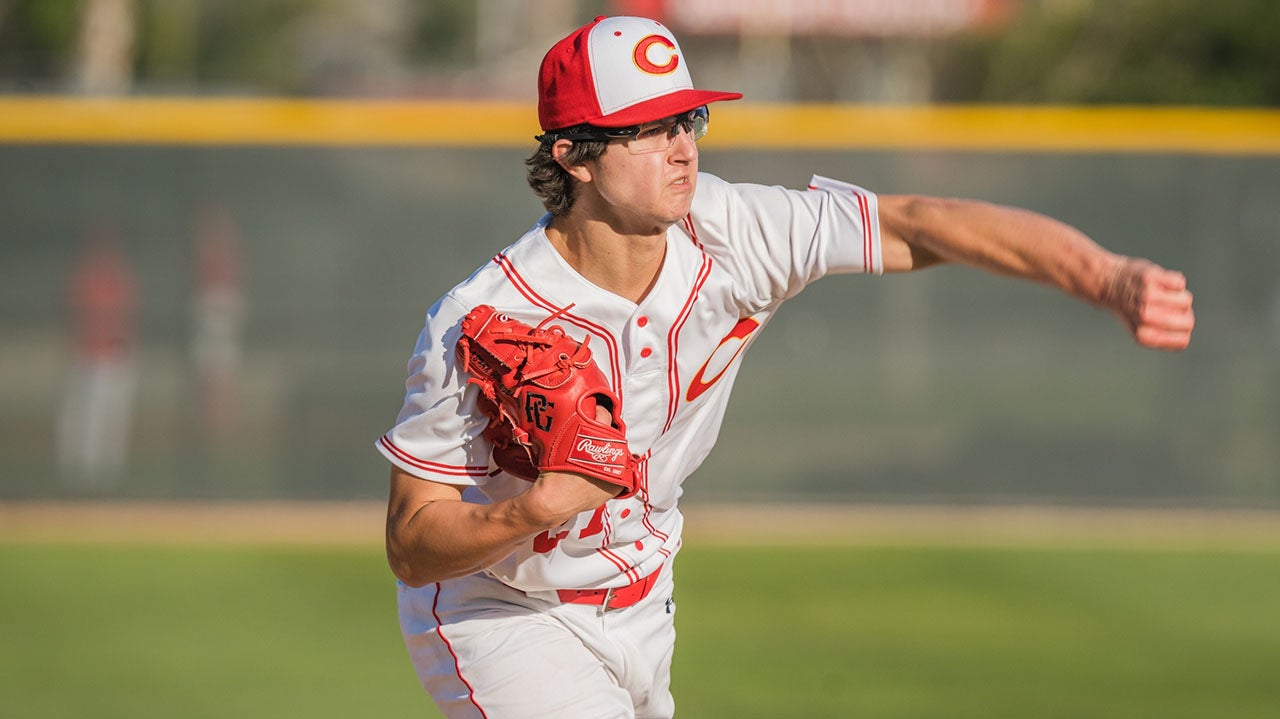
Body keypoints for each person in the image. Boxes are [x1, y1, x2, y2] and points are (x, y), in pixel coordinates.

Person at [377, 15, 1195, 719]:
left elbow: (920, 223)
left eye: (688, 119)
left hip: (644, 602)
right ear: (576, 157)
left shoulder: (737, 231)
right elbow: (412, 545)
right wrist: (534, 509)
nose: (681, 147)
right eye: (650, 128)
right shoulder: (483, 318)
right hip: (504, 609)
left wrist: (1102, 275)